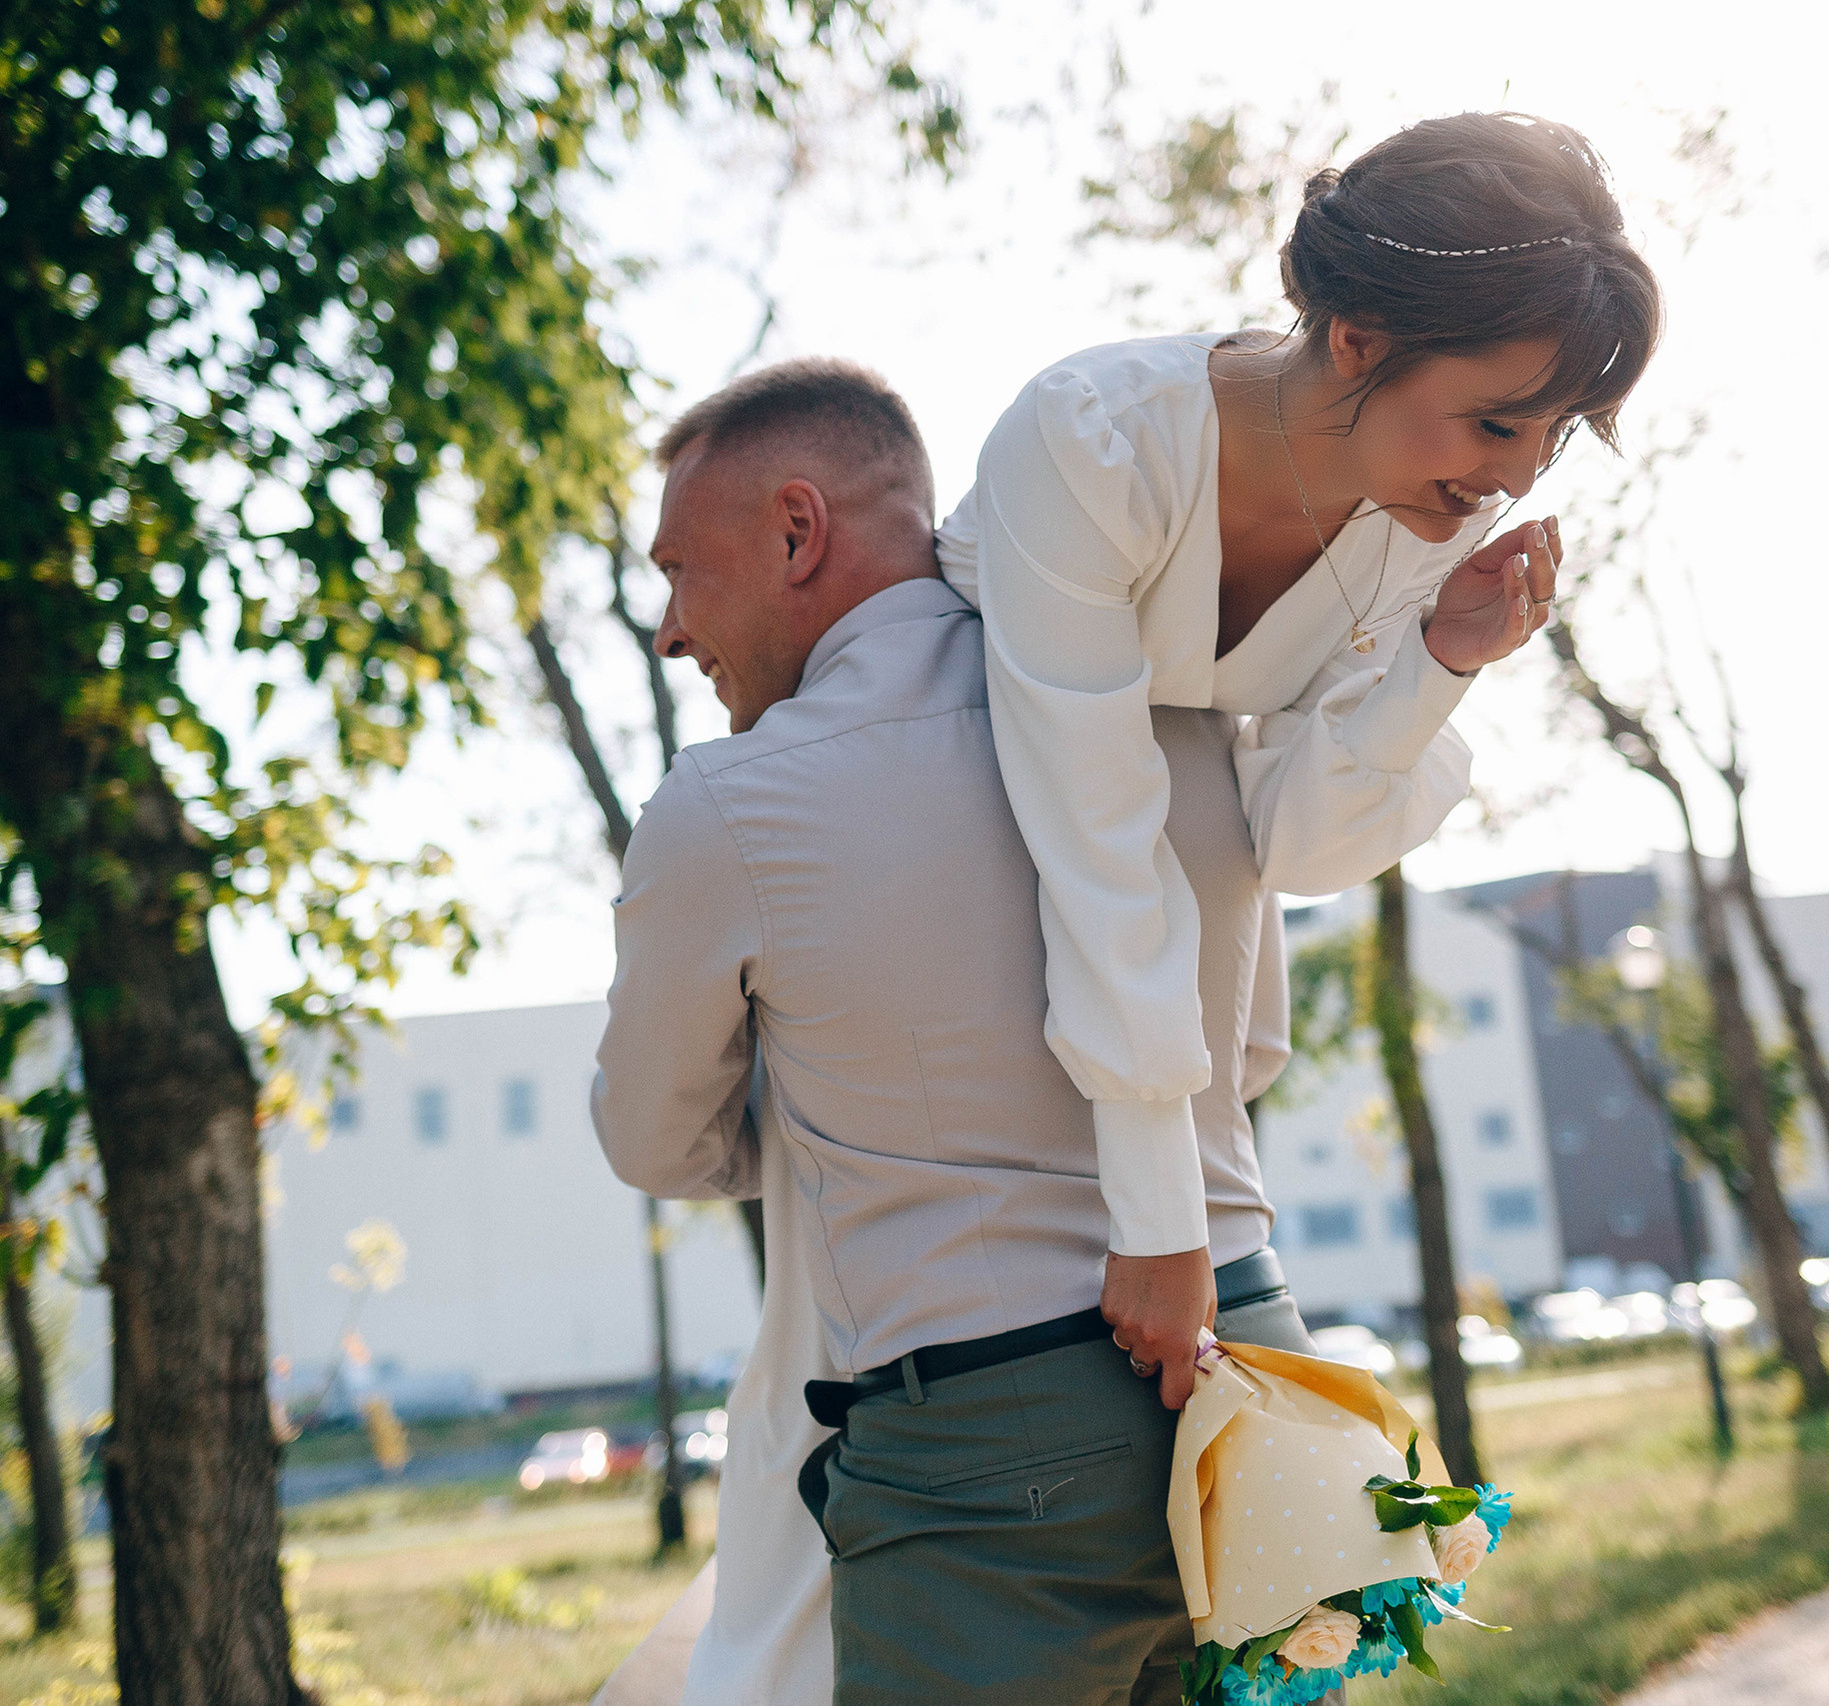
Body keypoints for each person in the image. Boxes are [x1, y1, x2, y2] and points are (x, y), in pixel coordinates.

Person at [592, 359, 1336, 1705]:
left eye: (681, 570)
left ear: (797, 529)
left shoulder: (728, 807)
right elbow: (1249, 1046)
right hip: (1261, 1374)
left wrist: (837, 1104)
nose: (671, 629)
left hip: (1000, 1457)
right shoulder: (1166, 704)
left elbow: (657, 1138)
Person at [936, 110, 1660, 1401]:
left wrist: (1442, 663)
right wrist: (1164, 1223)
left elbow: (1300, 849)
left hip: (1170, 915)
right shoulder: (1094, 438)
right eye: (1498, 423)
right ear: (1358, 340)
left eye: (1552, 437)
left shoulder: (1422, 528)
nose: (1513, 479)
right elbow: (1101, 826)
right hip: (948, 785)